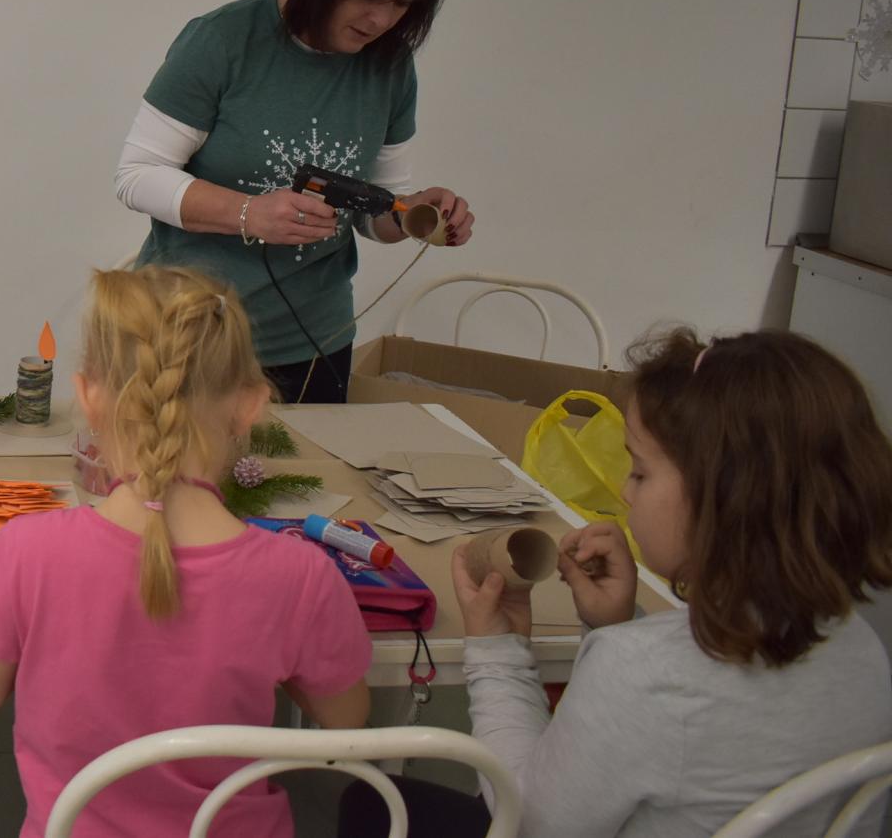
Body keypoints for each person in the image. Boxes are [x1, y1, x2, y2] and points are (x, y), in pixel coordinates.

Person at [344, 327, 892, 837]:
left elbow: (525, 822)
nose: (626, 492)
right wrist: (615, 626)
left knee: (371, 803)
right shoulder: (862, 646)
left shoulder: (643, 671)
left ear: (724, 499)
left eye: (641, 471)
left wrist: (499, 651)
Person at [0, 265, 372, 837]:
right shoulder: (300, 576)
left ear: (89, 399)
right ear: (250, 405)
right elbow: (347, 719)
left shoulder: (28, 551)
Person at [116, 0, 475, 402]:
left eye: (401, 3)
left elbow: (374, 214)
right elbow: (136, 176)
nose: (380, 20)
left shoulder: (391, 67)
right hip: (188, 338)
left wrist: (413, 212)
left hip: (315, 346)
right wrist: (249, 214)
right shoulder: (222, 40)